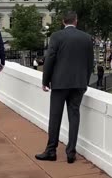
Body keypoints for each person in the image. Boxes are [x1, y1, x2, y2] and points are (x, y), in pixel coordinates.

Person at [35, 11, 94, 164]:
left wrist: (45, 80)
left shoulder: (56, 36)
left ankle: (51, 151)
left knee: (55, 116)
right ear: (76, 21)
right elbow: (89, 63)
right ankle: (71, 152)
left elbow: (50, 59)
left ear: (63, 21)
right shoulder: (86, 38)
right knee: (74, 116)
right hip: (78, 83)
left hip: (60, 83)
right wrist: (85, 82)